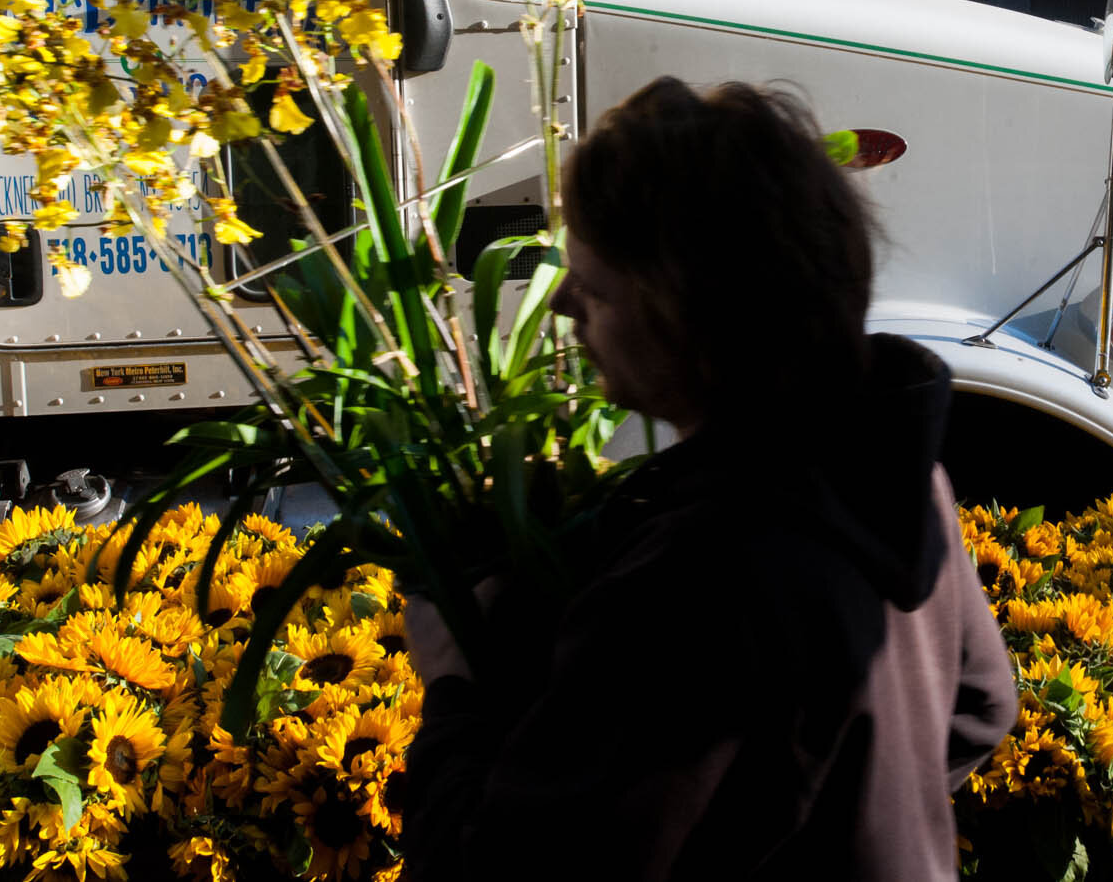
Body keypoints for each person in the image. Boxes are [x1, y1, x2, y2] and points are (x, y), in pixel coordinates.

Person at [401, 76, 1020, 881]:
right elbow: (982, 705)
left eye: (590, 286)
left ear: (682, 310)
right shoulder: (890, 475)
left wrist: (455, 685)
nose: (559, 308)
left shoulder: (701, 577)